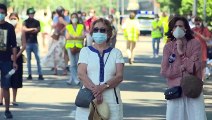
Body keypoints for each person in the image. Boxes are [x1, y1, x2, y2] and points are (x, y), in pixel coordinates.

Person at [76, 18, 124, 120]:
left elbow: (119, 76)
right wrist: (95, 91)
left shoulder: (116, 53)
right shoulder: (85, 51)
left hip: (111, 99)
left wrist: (102, 88)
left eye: (102, 30)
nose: (99, 32)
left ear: (109, 33)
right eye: (96, 30)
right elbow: (81, 74)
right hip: (88, 98)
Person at [161, 16, 207, 120]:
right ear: (171, 30)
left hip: (193, 90)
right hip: (175, 92)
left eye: (180, 26)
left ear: (186, 28)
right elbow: (164, 71)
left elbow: (194, 68)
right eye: (175, 26)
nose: (178, 29)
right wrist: (182, 68)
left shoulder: (195, 44)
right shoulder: (168, 47)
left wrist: (181, 52)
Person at [0, 3, 18, 119]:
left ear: (5, 14)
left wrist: (15, 60)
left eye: (2, 13)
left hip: (6, 60)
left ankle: (7, 110)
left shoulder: (10, 27)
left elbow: (14, 46)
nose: (0, 15)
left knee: (6, 85)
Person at [42, 6, 68, 75]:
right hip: (56, 37)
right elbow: (54, 26)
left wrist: (61, 29)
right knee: (55, 53)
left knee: (62, 53)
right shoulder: (56, 18)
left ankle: (63, 69)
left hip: (62, 37)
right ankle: (56, 69)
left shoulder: (64, 18)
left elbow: (67, 25)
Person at [9, 12, 26, 106]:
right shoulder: (6, 28)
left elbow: (24, 45)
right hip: (7, 55)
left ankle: (14, 99)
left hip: (18, 54)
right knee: (6, 77)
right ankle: (1, 99)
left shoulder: (21, 31)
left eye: (15, 18)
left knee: (15, 78)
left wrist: (16, 55)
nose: (13, 20)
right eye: (11, 18)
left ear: (18, 19)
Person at [23, 7, 44, 80]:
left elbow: (38, 30)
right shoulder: (25, 21)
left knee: (38, 59)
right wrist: (32, 29)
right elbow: (24, 29)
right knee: (28, 60)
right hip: (28, 42)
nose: (31, 15)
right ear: (28, 14)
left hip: (35, 42)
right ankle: (29, 74)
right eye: (30, 14)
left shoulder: (37, 22)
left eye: (32, 13)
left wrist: (29, 30)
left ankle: (40, 74)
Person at [65, 13, 85, 85]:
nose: (74, 19)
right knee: (72, 63)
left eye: (75, 17)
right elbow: (67, 37)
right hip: (70, 47)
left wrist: (74, 37)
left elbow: (83, 36)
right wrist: (77, 37)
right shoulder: (68, 26)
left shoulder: (81, 26)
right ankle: (75, 79)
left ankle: (71, 79)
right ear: (70, 18)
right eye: (72, 17)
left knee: (77, 63)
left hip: (78, 46)